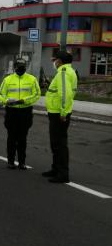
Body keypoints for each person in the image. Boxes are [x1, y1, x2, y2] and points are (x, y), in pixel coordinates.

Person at [0, 59, 41, 170]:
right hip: (12, 111)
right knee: (11, 138)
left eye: (23, 66)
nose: (21, 68)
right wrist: (6, 101)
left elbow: (37, 94)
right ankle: (10, 161)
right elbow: (0, 94)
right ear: (15, 67)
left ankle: (22, 162)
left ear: (25, 67)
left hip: (25, 112)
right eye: (19, 66)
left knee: (22, 138)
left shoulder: (32, 79)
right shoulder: (7, 79)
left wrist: (25, 100)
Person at [42, 51, 77, 183]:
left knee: (59, 144)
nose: (53, 62)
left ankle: (62, 174)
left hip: (59, 114)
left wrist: (63, 113)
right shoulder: (68, 71)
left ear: (60, 61)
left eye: (54, 60)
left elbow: (65, 95)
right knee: (56, 143)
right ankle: (56, 169)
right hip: (57, 112)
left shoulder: (63, 73)